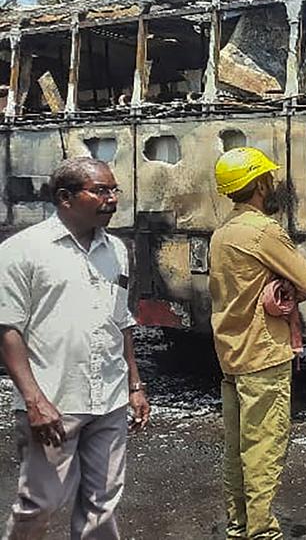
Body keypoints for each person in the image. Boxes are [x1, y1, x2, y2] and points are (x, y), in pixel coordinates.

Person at [0, 156, 151, 539]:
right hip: (54, 400)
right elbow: (8, 329)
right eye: (101, 190)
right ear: (66, 197)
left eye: (114, 190)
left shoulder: (115, 250)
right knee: (40, 503)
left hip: (110, 399)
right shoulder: (24, 251)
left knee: (102, 504)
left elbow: (122, 321)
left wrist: (134, 384)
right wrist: (34, 401)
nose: (112, 199)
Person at [209, 147, 306, 540]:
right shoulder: (263, 231)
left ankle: (239, 526)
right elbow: (305, 282)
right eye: (267, 177)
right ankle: (261, 532)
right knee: (264, 447)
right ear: (259, 184)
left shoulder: (222, 233)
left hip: (231, 353)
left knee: (237, 449)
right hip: (263, 355)